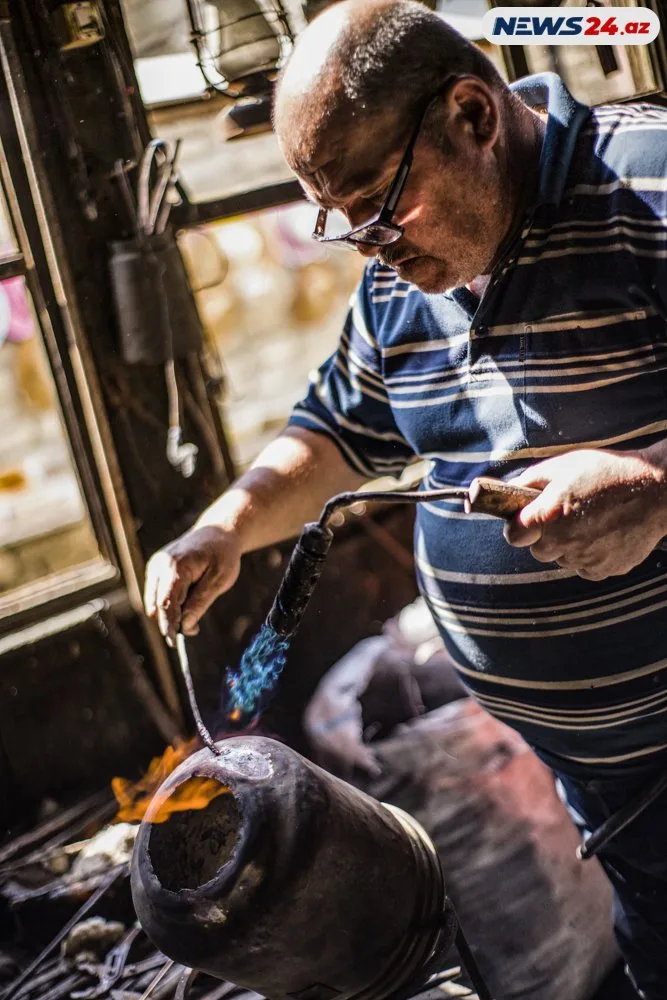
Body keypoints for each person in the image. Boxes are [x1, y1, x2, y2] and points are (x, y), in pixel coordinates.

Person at [144, 2, 667, 995]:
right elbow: (336, 433)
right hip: (612, 787)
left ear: (473, 115)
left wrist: (653, 489)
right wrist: (228, 522)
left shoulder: (650, 184)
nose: (371, 247)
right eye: (341, 226)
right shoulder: (400, 284)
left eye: (380, 208)